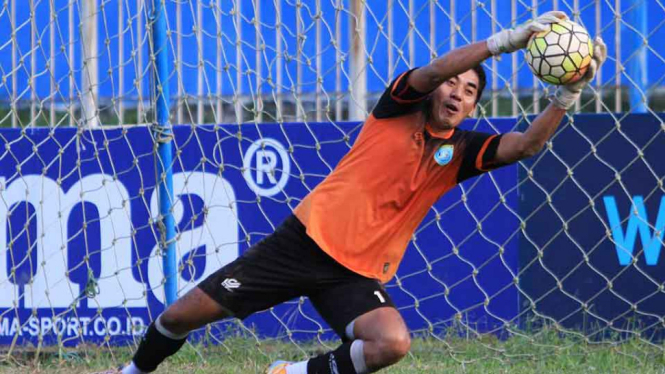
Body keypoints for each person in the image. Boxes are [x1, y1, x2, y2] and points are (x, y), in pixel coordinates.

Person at [101, 10, 606, 374]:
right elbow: (432, 71)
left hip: (357, 273)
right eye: (454, 84)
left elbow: (525, 145)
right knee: (178, 316)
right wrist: (505, 42)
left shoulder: (464, 150)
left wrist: (567, 94)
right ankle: (132, 372)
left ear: (474, 105)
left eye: (471, 90)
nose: (457, 92)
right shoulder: (399, 105)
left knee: (391, 343)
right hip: (304, 242)